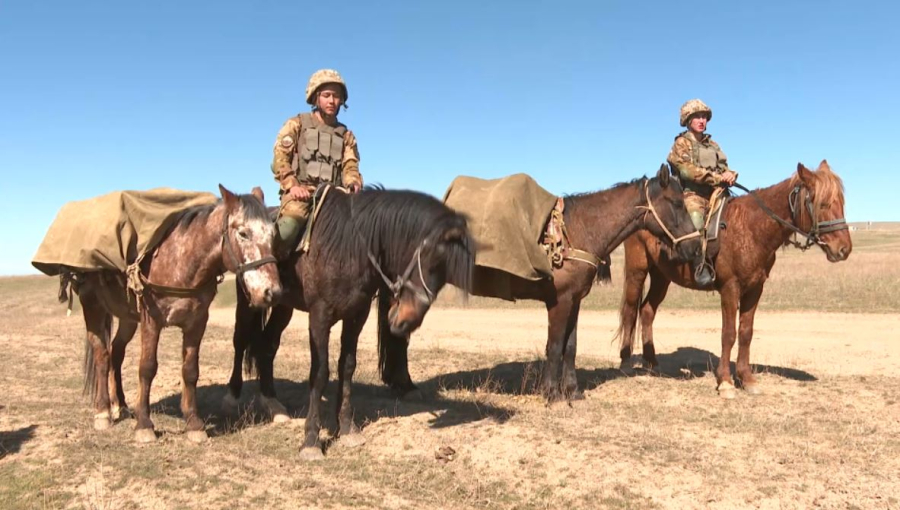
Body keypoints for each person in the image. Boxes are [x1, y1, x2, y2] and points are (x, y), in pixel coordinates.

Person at [271, 69, 363, 256]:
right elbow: (280, 159)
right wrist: (293, 185)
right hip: (301, 195)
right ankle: (271, 270)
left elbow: (350, 165)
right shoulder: (297, 124)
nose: (332, 101)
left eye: (336, 96)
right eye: (327, 95)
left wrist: (353, 182)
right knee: (287, 230)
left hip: (334, 197)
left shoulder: (346, 135)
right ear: (316, 97)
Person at [666, 99, 737, 285]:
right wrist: (716, 178)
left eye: (704, 117)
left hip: (717, 194)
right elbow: (686, 171)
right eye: (697, 117)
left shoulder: (713, 145)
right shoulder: (681, 143)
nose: (701, 120)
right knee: (696, 221)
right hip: (692, 194)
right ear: (688, 120)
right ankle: (700, 265)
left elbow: (724, 167)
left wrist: (730, 174)